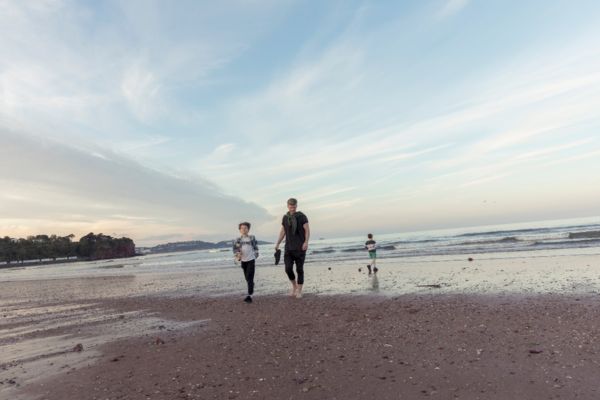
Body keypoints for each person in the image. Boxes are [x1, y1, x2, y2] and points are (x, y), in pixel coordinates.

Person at [275, 198, 310, 298]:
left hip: (300, 248)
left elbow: (307, 230)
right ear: (288, 206)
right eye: (290, 207)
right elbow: (283, 231)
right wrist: (277, 243)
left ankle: (299, 291)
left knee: (300, 269)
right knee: (288, 269)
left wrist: (306, 242)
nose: (292, 209)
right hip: (288, 248)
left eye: (294, 207)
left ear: (296, 206)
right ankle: (294, 286)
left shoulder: (302, 216)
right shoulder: (285, 218)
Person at [233, 222, 259, 303]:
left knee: (250, 277)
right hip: (243, 261)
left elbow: (256, 247)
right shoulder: (237, 240)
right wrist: (238, 255)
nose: (244, 230)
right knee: (247, 278)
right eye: (242, 228)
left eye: (246, 228)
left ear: (248, 229)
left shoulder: (252, 237)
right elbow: (235, 249)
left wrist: (256, 254)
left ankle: (249, 296)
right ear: (240, 230)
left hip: (251, 260)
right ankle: (251, 286)